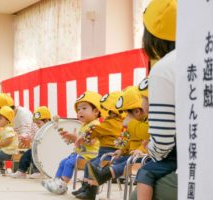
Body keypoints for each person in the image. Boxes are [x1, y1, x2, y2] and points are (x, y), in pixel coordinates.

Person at [135, 0, 177, 199]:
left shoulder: (164, 69)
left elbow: (162, 143)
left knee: (140, 190)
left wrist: (150, 150)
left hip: (190, 164)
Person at [86, 86, 149, 187]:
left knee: (126, 163)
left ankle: (104, 175)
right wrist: (122, 150)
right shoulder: (136, 124)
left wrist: (141, 149)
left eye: (127, 114)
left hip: (143, 156)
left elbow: (148, 138)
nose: (125, 117)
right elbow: (129, 140)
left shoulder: (145, 123)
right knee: (118, 160)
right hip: (132, 155)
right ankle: (102, 176)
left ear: (137, 111)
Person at [42, 91, 102, 195]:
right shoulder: (84, 125)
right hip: (80, 154)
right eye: (78, 109)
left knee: (69, 163)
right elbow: (78, 143)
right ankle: (56, 181)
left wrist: (76, 138)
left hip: (89, 156)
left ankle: (62, 184)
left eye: (84, 108)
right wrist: (71, 138)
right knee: (63, 162)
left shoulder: (95, 125)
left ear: (96, 111)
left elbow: (91, 142)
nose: (80, 112)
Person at [73, 91, 125, 200]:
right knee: (90, 164)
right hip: (103, 153)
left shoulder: (112, 122)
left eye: (105, 109)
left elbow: (96, 131)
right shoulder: (113, 121)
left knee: (93, 166)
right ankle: (85, 187)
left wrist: (84, 136)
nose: (103, 112)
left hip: (110, 154)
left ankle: (90, 191)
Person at [10, 106, 51, 179]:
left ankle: (38, 172)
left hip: (47, 151)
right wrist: (26, 138)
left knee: (35, 155)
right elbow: (33, 138)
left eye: (39, 123)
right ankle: (21, 171)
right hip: (38, 148)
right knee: (26, 155)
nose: (37, 125)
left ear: (47, 121)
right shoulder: (38, 129)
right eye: (36, 123)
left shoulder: (49, 129)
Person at [0, 106, 18, 175]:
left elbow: (9, 140)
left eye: (0, 119)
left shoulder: (8, 129)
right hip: (7, 150)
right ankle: (0, 168)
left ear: (7, 120)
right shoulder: (4, 129)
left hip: (10, 151)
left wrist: (0, 144)